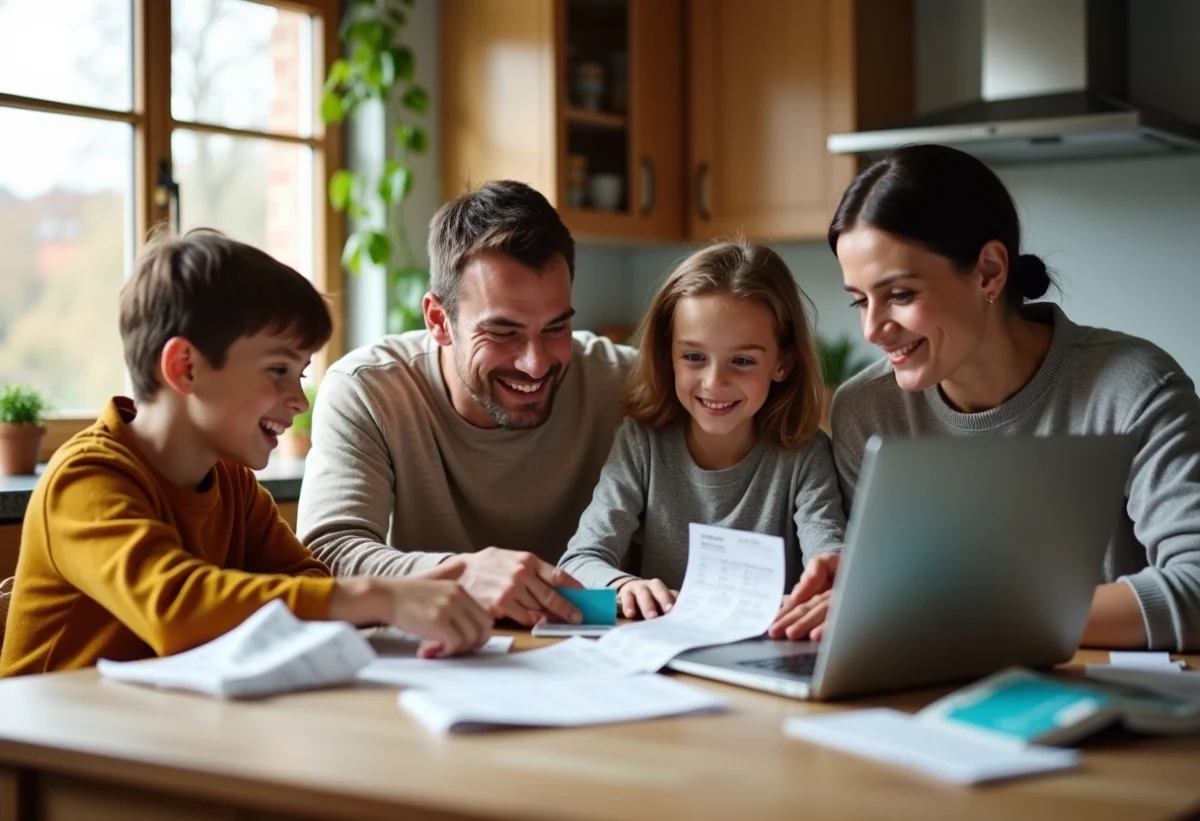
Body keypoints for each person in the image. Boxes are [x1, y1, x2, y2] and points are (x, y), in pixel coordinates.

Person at [0, 230, 491, 677]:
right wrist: (379, 595)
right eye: (278, 369)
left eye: (300, 374)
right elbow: (176, 608)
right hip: (51, 755)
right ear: (185, 367)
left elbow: (306, 581)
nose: (299, 402)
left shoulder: (231, 481)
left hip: (161, 736)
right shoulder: (85, 478)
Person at [790, 143, 1200, 652]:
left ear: (988, 271)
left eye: (899, 295)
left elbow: (1194, 591)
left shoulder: (1135, 388)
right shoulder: (868, 411)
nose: (873, 329)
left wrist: (950, 611)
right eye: (859, 300)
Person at [297, 181, 635, 627]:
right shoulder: (369, 389)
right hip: (443, 657)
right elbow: (328, 555)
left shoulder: (624, 382)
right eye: (503, 333)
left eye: (555, 329)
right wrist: (460, 576)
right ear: (439, 320)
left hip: (600, 653)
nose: (535, 365)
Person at [557, 241, 846, 633]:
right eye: (694, 357)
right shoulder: (642, 443)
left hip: (768, 651)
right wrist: (622, 585)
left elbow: (831, 564)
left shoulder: (806, 455)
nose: (714, 383)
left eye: (742, 361)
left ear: (783, 363)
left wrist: (828, 591)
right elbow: (578, 561)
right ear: (668, 355)